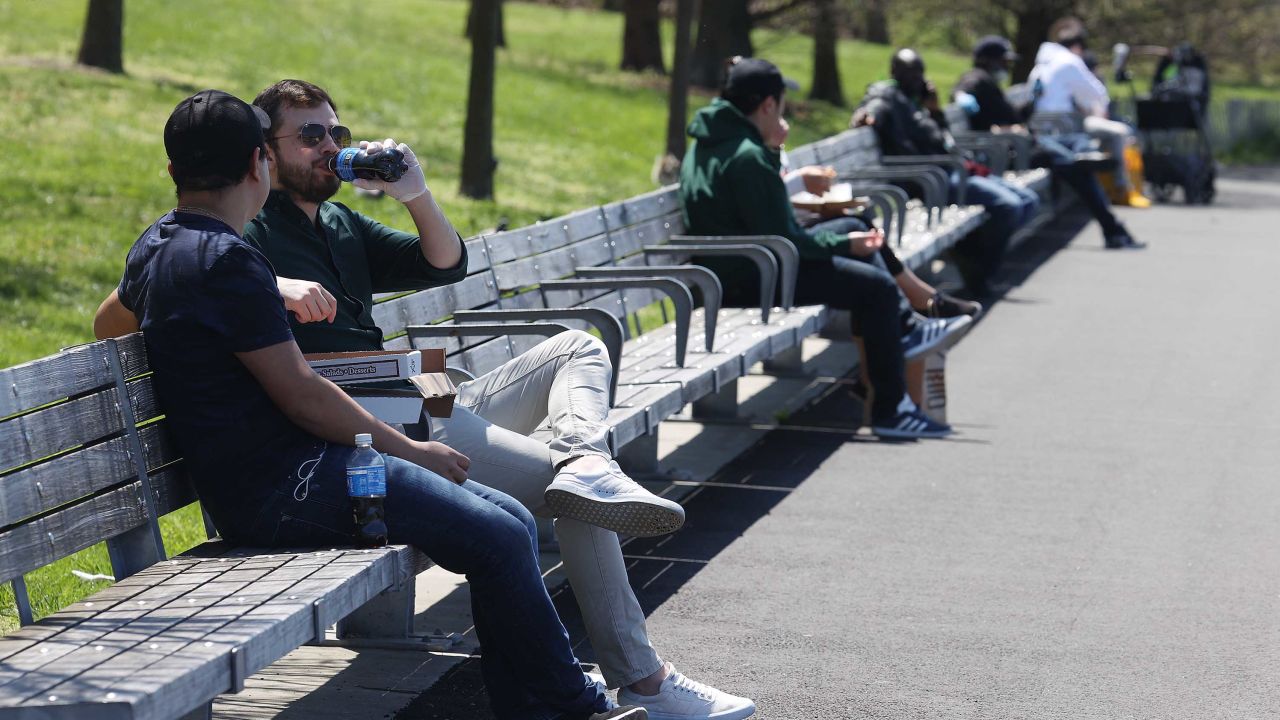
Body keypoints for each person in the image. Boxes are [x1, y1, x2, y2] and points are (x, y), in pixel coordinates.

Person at [92, 89, 645, 720]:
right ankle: (565, 706)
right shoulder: (228, 260)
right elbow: (302, 396)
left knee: (513, 523)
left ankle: (544, 701)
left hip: (277, 477)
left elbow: (111, 324)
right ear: (258, 164)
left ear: (173, 173)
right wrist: (413, 451)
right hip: (284, 490)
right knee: (495, 535)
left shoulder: (159, 242)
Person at [241, 79, 755, 720]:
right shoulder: (250, 234)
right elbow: (160, 293)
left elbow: (443, 263)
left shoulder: (341, 222)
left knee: (574, 346)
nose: (329, 148)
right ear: (266, 150)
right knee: (582, 504)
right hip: (379, 427)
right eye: (310, 135)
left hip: (428, 398)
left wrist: (415, 194)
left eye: (336, 134)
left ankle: (583, 458)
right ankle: (643, 679)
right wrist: (277, 283)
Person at [680, 57, 972, 440]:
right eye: (782, 103)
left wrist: (843, 235)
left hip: (745, 263)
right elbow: (787, 239)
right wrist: (841, 244)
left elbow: (767, 223)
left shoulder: (713, 143)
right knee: (877, 289)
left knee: (856, 224)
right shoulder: (747, 156)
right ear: (768, 105)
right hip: (753, 277)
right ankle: (890, 409)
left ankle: (907, 328)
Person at [853, 48, 1041, 298]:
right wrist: (867, 116)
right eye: (910, 73)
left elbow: (940, 138)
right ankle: (979, 274)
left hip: (953, 169)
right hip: (934, 180)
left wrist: (934, 110)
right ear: (895, 73)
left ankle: (970, 257)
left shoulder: (917, 103)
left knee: (1029, 201)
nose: (916, 79)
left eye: (919, 73)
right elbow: (875, 104)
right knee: (1010, 207)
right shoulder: (889, 96)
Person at [953, 35, 1145, 248]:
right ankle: (1111, 226)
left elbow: (1013, 117)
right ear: (988, 60)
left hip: (1018, 144)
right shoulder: (978, 77)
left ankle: (1108, 217)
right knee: (1074, 166)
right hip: (1004, 151)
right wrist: (961, 96)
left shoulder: (990, 82)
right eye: (1003, 60)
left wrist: (1032, 102)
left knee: (1074, 152)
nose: (1007, 65)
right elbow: (964, 87)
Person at [1028, 17, 1153, 230]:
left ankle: (1109, 189)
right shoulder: (1069, 61)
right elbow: (1098, 94)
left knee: (1083, 157)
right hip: (1064, 129)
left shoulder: (1042, 63)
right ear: (1077, 47)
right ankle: (1121, 188)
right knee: (1119, 132)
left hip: (1045, 129)